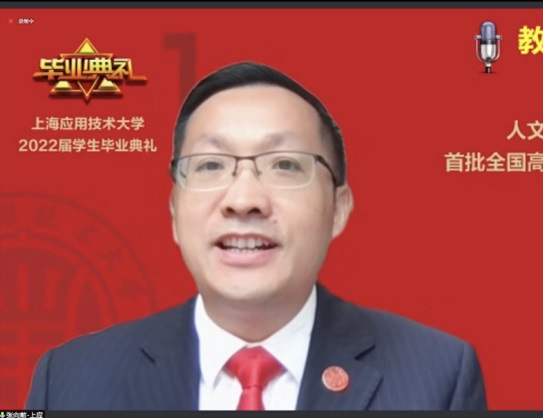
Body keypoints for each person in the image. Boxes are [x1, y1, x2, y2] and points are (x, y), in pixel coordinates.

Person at [25, 62, 487, 410]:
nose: (244, 199)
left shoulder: (437, 376)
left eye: (284, 165)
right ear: (174, 212)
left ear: (339, 209)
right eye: (211, 165)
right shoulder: (69, 380)